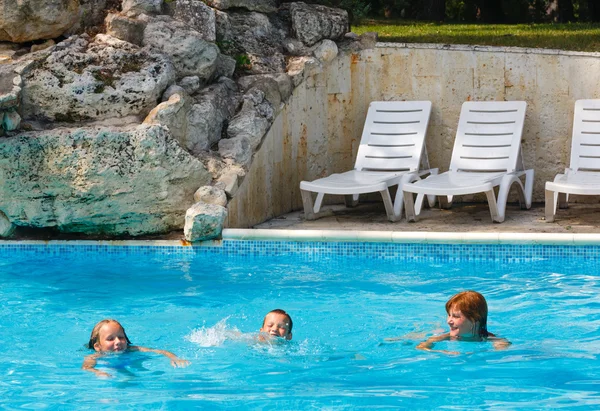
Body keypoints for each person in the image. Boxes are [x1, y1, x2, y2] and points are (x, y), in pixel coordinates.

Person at [82, 319, 190, 377]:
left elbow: (161, 351)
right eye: (110, 339)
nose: (118, 342)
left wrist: (174, 358)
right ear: (97, 346)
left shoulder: (132, 349)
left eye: (121, 337)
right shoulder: (94, 357)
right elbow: (86, 367)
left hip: (128, 361)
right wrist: (97, 372)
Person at [417, 291, 510, 354]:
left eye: (456, 316)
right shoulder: (445, 337)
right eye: (449, 315)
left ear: (475, 319)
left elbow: (501, 353)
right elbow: (420, 348)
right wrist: (444, 352)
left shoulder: (492, 339)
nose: (449, 321)